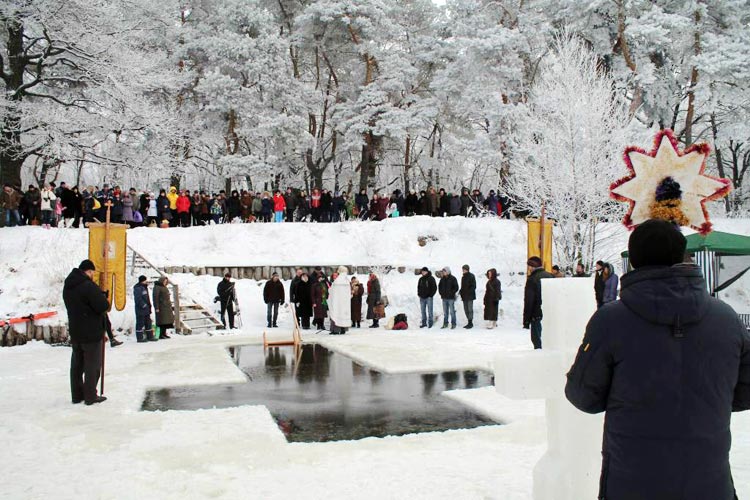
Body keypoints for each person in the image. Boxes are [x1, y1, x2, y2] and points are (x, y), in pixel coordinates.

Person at [565, 219, 750, 500]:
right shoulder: (726, 318)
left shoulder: (611, 321)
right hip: (710, 482)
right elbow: (745, 392)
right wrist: (705, 400)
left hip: (632, 482)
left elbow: (583, 396)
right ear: (683, 255)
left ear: (634, 261)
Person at [63, 259, 110, 405]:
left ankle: (77, 395)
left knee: (77, 365)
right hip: (91, 331)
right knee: (92, 364)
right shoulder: (88, 286)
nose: (92, 275)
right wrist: (102, 297)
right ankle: (90, 395)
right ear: (88, 271)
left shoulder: (68, 286)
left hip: (76, 330)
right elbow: (103, 306)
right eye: (92, 273)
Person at [523, 256, 553, 349]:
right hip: (550, 314)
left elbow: (529, 301)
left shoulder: (532, 279)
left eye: (529, 266)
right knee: (549, 341)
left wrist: (526, 320)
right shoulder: (551, 276)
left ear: (532, 266)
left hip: (536, 315)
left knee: (537, 342)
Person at [327, 266, 352, 334]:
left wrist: (329, 290)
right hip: (345, 302)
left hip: (337, 302)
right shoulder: (346, 281)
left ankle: (336, 330)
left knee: (336, 314)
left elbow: (332, 291)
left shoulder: (337, 281)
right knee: (343, 315)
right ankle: (343, 329)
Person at [133, 275, 155, 342]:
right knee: (140, 323)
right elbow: (138, 299)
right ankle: (139, 338)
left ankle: (150, 336)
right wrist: (144, 305)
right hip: (140, 309)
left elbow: (147, 298)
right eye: (145, 280)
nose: (146, 281)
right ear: (142, 281)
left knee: (148, 323)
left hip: (146, 309)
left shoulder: (144, 287)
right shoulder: (138, 288)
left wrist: (148, 306)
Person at [459, 264, 476, 329]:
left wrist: (468, 291)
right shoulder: (463, 277)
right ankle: (468, 321)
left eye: (464, 269)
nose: (463, 270)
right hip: (464, 296)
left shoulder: (472, 276)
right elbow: (462, 287)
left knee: (470, 309)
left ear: (467, 269)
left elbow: (474, 286)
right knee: (465, 309)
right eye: (463, 269)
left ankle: (470, 323)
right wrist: (461, 291)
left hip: (470, 296)